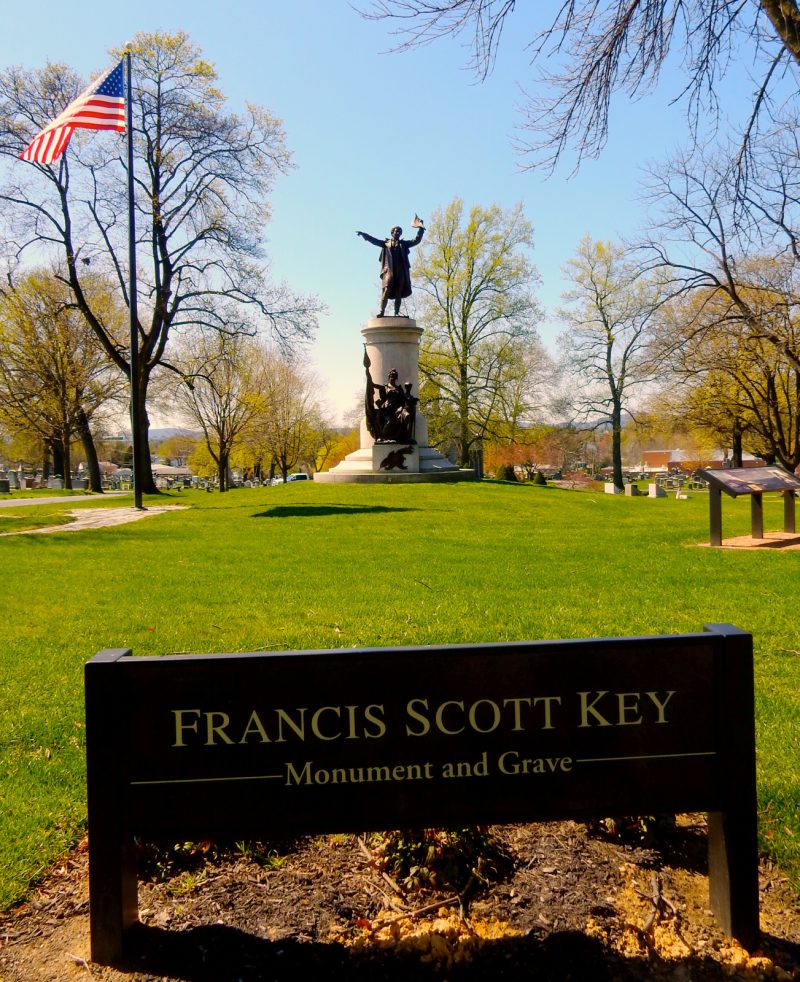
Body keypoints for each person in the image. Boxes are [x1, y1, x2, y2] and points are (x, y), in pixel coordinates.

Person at [356, 219, 425, 317]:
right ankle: (381, 311)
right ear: (392, 233)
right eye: (395, 231)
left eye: (399, 231)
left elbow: (416, 240)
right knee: (387, 290)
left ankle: (396, 313)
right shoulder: (385, 243)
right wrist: (364, 235)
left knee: (399, 292)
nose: (397, 232)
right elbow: (374, 241)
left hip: (401, 271)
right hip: (389, 271)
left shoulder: (404, 244)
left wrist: (421, 229)